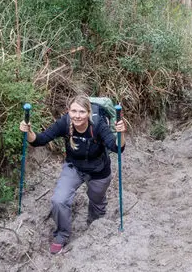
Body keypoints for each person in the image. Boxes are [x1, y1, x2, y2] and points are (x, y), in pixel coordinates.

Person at [20, 95, 127, 254]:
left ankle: (95, 225)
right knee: (59, 200)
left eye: (82, 112)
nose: (77, 115)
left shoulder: (98, 125)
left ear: (89, 112)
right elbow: (39, 140)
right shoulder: (65, 122)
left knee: (96, 201)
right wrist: (28, 131)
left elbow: (117, 147)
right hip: (74, 167)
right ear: (68, 111)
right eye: (74, 111)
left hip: (99, 170)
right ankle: (62, 234)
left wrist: (121, 133)